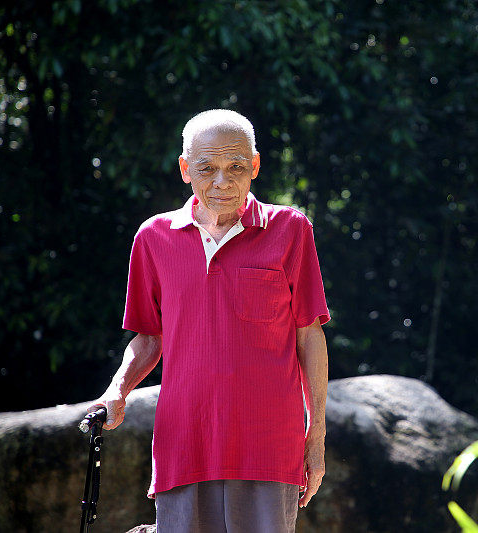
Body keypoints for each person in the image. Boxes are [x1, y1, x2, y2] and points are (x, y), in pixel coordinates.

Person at [89, 109, 330, 533]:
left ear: (254, 165)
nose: (223, 182)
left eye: (236, 166)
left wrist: (316, 437)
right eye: (207, 168)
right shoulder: (153, 238)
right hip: (184, 445)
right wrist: (118, 389)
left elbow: (309, 335)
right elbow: (149, 337)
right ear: (185, 169)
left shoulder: (291, 230)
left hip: (269, 445)